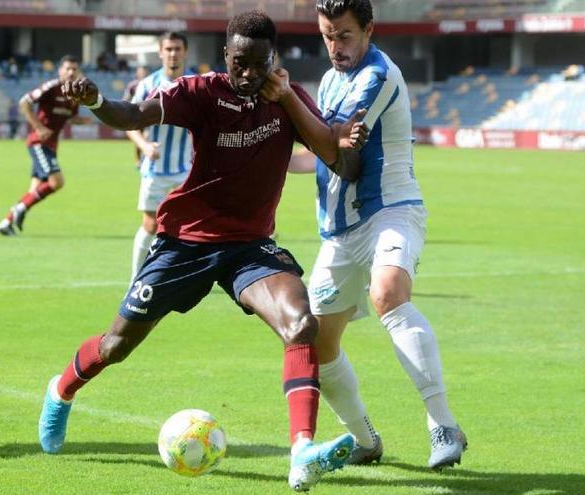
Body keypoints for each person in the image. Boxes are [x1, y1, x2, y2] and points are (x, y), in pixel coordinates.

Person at [40, 11, 368, 492]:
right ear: (225, 57)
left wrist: (349, 139)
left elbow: (341, 160)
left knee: (301, 322)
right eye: (240, 63)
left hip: (250, 248)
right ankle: (61, 390)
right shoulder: (200, 92)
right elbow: (132, 115)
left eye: (258, 64)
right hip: (185, 243)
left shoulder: (288, 100)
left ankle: (301, 452)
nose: (249, 75)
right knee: (116, 346)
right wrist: (94, 101)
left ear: (272, 59)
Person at [290, 0, 467, 469]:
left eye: (344, 35)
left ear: (369, 29)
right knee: (316, 343)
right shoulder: (329, 81)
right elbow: (325, 147)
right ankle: (364, 439)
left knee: (387, 292)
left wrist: (288, 105)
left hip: (391, 209)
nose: (334, 47)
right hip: (339, 230)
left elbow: (336, 147)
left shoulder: (379, 76)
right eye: (327, 35)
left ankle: (443, 424)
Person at [125, 32, 196, 280]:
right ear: (160, 52)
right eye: (168, 49)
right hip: (154, 170)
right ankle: (136, 279)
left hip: (187, 170)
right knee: (151, 225)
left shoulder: (196, 85)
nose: (173, 54)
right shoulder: (147, 85)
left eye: (177, 48)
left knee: (189, 227)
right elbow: (129, 122)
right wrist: (144, 146)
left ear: (185, 52)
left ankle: (182, 275)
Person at [0, 55, 88, 236]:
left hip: (51, 145)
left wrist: (84, 119)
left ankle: (6, 223)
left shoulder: (74, 94)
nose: (71, 72)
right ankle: (18, 210)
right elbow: (24, 102)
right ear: (60, 70)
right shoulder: (51, 87)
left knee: (33, 191)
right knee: (57, 182)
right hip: (39, 143)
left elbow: (71, 116)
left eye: (74, 69)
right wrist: (38, 127)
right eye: (67, 68)